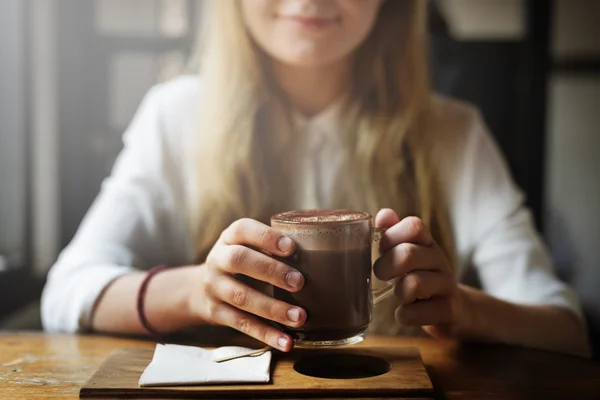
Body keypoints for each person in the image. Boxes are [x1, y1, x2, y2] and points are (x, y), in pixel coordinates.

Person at [41, 0, 590, 357]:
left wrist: (462, 309)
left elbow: (567, 330)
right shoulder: (176, 116)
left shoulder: (453, 132)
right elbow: (67, 292)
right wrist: (198, 292)